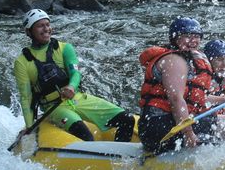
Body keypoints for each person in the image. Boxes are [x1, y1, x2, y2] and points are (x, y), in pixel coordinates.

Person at [14, 9, 135, 142]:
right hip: (54, 107)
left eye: (47, 24)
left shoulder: (65, 48)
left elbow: (75, 73)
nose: (46, 29)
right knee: (86, 136)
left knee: (127, 119)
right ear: (29, 31)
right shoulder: (22, 62)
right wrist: (30, 127)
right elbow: (26, 97)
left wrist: (71, 87)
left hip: (77, 98)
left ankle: (119, 159)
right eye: (40, 26)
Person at [137, 16, 215, 153]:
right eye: (187, 36)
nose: (193, 40)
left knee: (211, 116)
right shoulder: (174, 61)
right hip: (157, 127)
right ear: (175, 38)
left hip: (164, 123)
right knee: (210, 121)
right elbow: (176, 99)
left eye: (196, 36)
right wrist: (188, 134)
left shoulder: (190, 59)